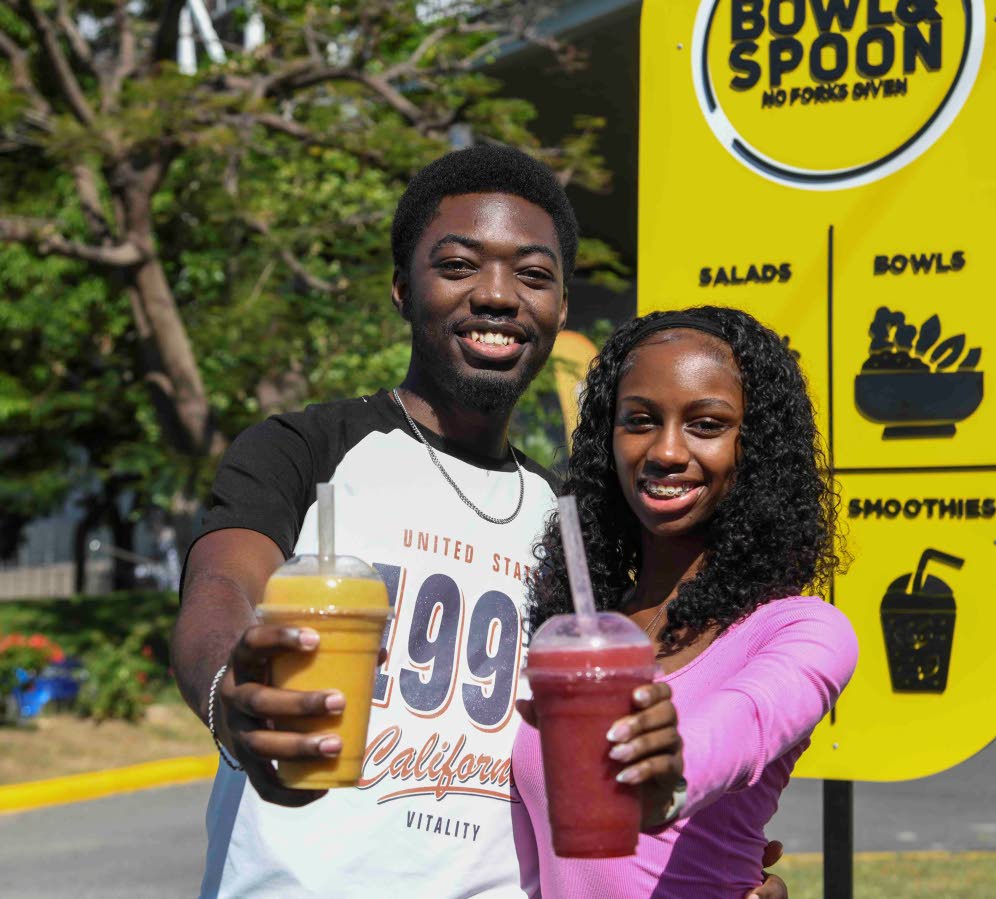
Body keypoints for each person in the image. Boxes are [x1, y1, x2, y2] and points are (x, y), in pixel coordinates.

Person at [171, 147, 789, 898]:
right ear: (403, 287)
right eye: (459, 265)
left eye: (532, 274)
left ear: (562, 308)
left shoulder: (573, 521)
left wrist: (710, 869)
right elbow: (219, 589)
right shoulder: (306, 450)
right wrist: (227, 694)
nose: (498, 295)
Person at [520, 306, 858, 898]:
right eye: (640, 420)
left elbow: (746, 721)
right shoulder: (568, 634)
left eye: (706, 424)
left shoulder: (804, 631)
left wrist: (670, 770)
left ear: (755, 448)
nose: (667, 451)